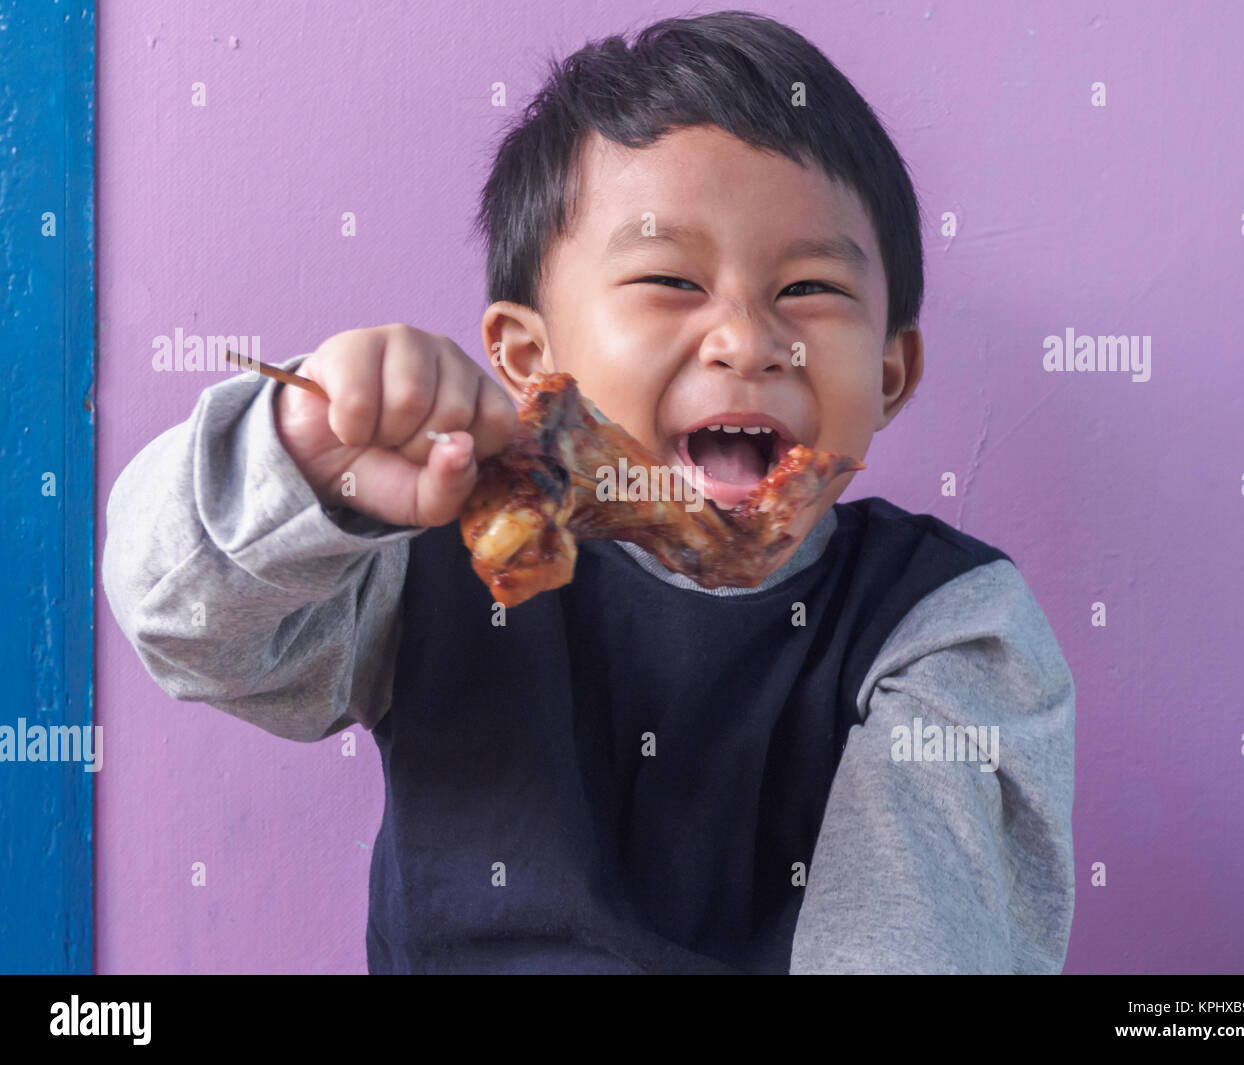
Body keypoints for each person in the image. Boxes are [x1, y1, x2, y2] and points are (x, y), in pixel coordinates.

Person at [103, 11, 1075, 973]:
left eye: (809, 289)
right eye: (669, 278)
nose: (743, 339)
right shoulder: (433, 545)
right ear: (531, 359)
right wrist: (308, 461)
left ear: (891, 374)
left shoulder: (946, 628)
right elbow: (185, 625)